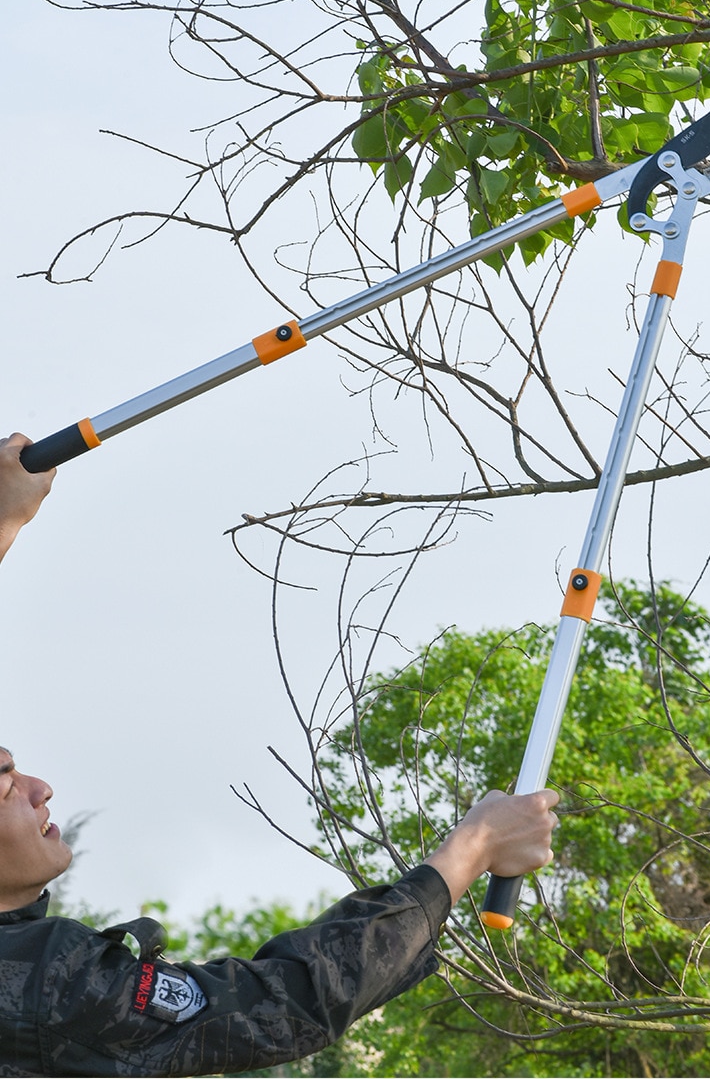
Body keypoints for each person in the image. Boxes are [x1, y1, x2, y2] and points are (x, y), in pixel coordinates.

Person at [0, 431, 559, 1077]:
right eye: (6, 781)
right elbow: (281, 1002)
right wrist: (470, 851)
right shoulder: (46, 981)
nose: (40, 788)